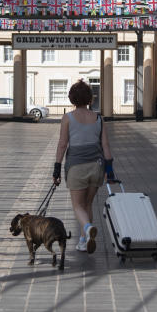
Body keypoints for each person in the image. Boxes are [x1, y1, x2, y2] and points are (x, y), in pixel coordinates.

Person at [52, 79, 114, 253]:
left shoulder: (68, 118)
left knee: (78, 206)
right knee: (88, 204)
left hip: (76, 168)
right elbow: (106, 146)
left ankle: (87, 229)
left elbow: (63, 144)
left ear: (72, 98)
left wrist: (57, 168)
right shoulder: (99, 119)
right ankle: (83, 240)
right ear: (89, 99)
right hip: (97, 167)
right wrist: (110, 171)